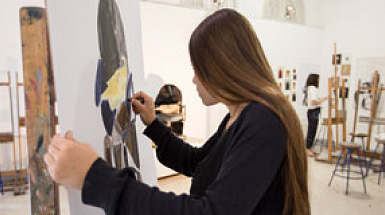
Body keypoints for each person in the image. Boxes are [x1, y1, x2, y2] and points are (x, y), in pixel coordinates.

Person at [44, 9, 310, 215]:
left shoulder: (263, 121)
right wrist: (152, 123)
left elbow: (213, 212)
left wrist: (96, 178)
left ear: (223, 66)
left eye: (198, 69)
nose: (194, 79)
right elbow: (197, 163)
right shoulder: (239, 115)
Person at [303, 74, 327, 157]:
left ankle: (309, 149)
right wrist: (324, 99)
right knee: (312, 131)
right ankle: (307, 149)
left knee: (312, 131)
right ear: (314, 79)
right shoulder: (312, 88)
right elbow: (313, 102)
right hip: (313, 112)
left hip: (313, 112)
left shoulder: (311, 88)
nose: (319, 81)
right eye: (318, 79)